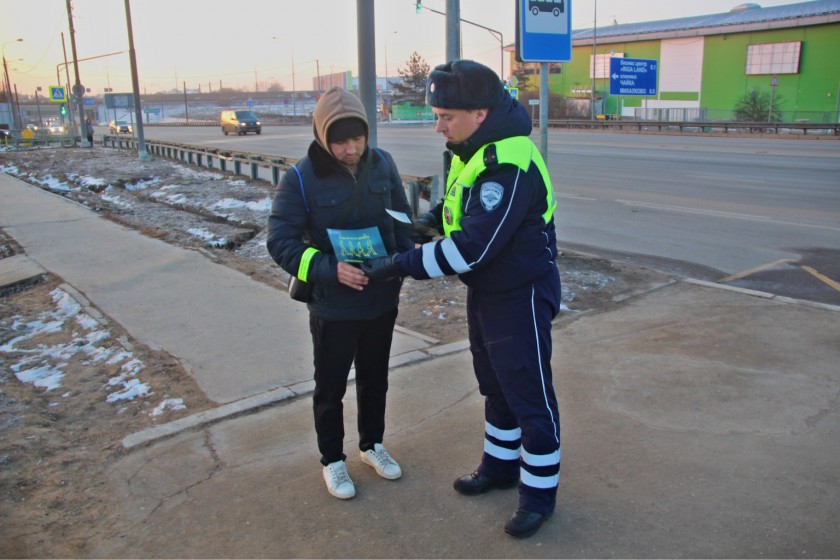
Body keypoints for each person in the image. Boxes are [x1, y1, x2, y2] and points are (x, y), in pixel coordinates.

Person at [362, 60, 562, 538]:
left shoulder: (508, 163)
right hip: (490, 291)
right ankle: (500, 466)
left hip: (520, 294)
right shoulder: (473, 148)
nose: (437, 126)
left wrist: (397, 265)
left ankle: (538, 497)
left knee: (529, 397)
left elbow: (472, 247)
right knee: (494, 386)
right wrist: (430, 221)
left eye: (445, 115)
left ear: (479, 112)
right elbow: (461, 210)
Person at [266, 86, 414, 500]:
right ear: (322, 136)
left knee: (375, 379)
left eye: (358, 138)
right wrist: (332, 270)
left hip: (381, 299)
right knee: (330, 387)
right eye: (340, 140)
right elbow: (280, 242)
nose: (351, 149)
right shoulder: (299, 177)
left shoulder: (383, 164)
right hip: (334, 305)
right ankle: (333, 460)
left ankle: (372, 446)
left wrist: (401, 264)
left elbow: (402, 222)